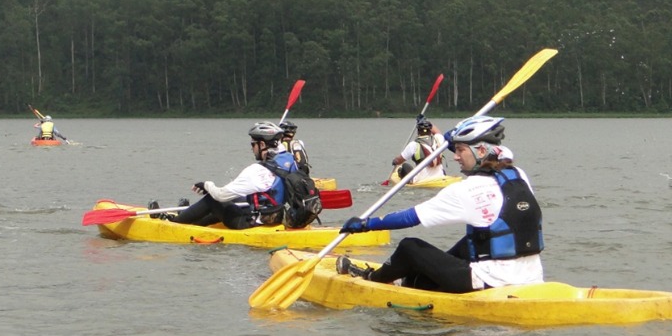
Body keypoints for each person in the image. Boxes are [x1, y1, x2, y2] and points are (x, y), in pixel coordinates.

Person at [337, 115, 544, 293]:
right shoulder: (519, 175)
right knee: (472, 240)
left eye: (460, 150)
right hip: (531, 277)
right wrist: (450, 139)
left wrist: (366, 224)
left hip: (489, 282)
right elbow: (501, 155)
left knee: (409, 247)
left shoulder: (467, 189)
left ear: (481, 150)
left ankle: (371, 279)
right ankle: (414, 280)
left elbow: (409, 218)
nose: (455, 157)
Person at [161, 122, 298, 230]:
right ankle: (194, 224)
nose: (252, 148)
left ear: (262, 144)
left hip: (251, 224)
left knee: (213, 199)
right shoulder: (289, 160)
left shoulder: (256, 170)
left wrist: (207, 186)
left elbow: (220, 195)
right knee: (234, 199)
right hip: (276, 218)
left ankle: (175, 223)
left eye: (253, 144)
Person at [391, 116, 446, 183]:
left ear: (418, 131)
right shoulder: (438, 139)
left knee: (404, 166)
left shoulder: (413, 145)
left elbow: (399, 161)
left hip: (421, 180)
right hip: (440, 177)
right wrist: (425, 121)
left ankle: (408, 179)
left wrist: (394, 161)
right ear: (430, 130)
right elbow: (437, 132)